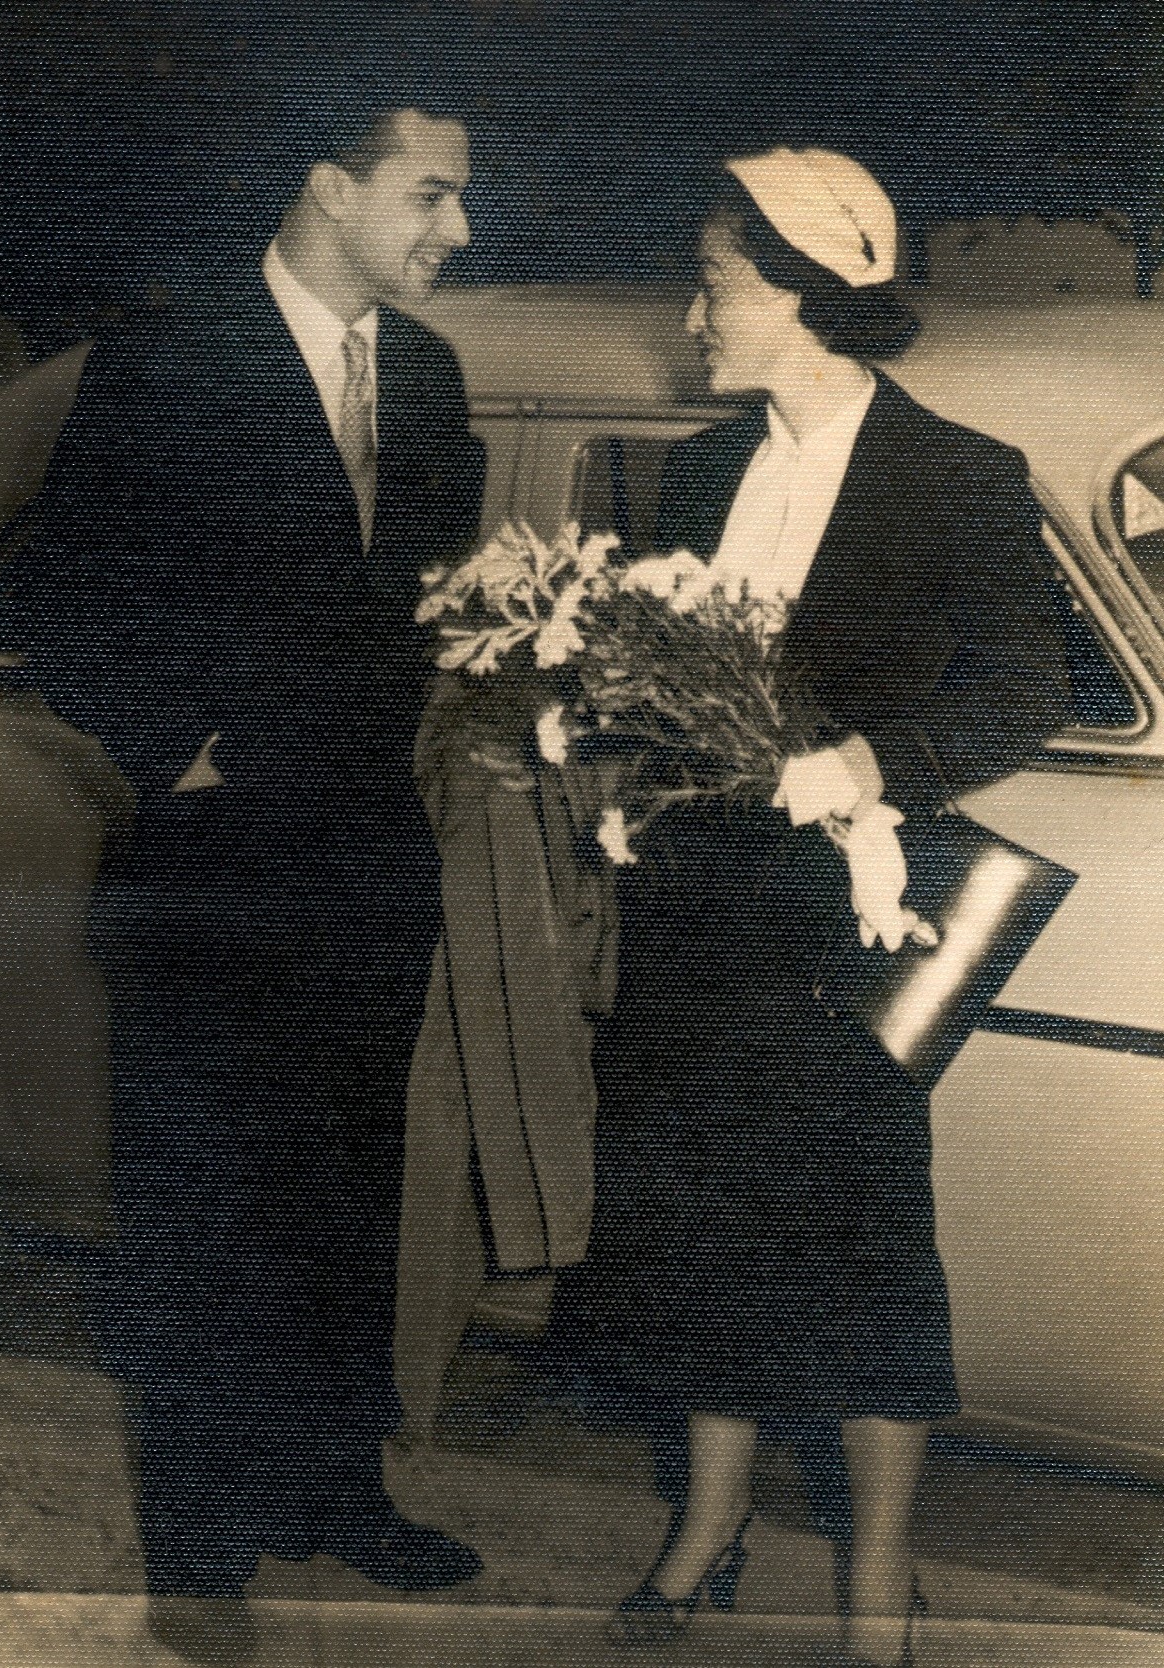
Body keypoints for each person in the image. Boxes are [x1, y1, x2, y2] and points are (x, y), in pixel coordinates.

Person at [0, 106, 486, 1662]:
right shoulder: (166, 361)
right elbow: (50, 591)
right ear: (330, 185)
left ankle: (335, 1492)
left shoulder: (429, 373)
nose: (459, 230)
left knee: (347, 1196)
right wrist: (167, 749)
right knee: (204, 1217)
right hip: (212, 871)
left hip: (370, 862)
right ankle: (198, 1551)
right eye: (433, 195)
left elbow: (422, 608)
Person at [553, 147, 1073, 1667]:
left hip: (845, 932)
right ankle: (707, 1530)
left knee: (863, 1258)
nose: (694, 314)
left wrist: (869, 761)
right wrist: (607, 749)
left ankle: (877, 1585)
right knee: (695, 1235)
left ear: (800, 292)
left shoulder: (957, 474)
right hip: (697, 918)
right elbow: (667, 687)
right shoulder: (703, 471)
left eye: (713, 284)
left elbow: (1026, 688)